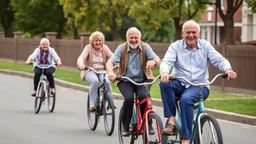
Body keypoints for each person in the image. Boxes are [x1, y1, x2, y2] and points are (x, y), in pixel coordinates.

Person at [160, 20, 237, 144]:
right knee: (165, 84)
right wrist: (164, 72)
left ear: (199, 33)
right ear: (183, 33)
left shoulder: (205, 46)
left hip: (200, 86)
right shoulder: (175, 46)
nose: (191, 35)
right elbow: (167, 61)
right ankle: (171, 122)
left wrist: (227, 69)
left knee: (186, 99)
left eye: (194, 32)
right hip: (180, 83)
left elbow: (219, 60)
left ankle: (185, 139)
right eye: (188, 32)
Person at [106, 27, 161, 136]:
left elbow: (157, 59)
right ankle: (125, 126)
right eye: (131, 38)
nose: (134, 40)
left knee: (144, 97)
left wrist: (153, 62)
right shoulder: (121, 48)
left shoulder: (145, 47)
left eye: (136, 37)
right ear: (127, 38)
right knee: (129, 99)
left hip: (143, 80)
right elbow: (110, 63)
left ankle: (147, 123)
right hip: (125, 80)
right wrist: (111, 73)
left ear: (140, 38)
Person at [77, 31, 113, 112]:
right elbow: (81, 58)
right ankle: (92, 104)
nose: (98, 42)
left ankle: (110, 101)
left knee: (107, 82)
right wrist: (81, 64)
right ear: (92, 41)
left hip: (102, 70)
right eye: (96, 40)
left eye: (100, 40)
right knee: (94, 81)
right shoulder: (88, 48)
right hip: (90, 70)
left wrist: (118, 62)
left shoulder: (105, 48)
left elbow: (113, 56)